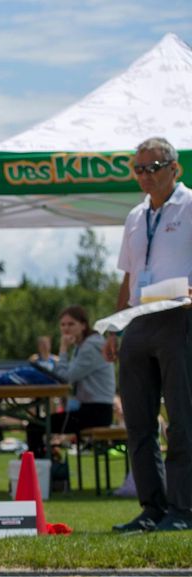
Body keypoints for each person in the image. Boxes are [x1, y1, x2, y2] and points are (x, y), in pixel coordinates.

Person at [105, 136, 192, 533]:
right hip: (139, 320)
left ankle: (183, 508)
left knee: (181, 417)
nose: (144, 176)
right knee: (138, 421)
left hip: (180, 316)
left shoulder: (189, 205)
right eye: (137, 169)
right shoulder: (135, 217)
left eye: (152, 168)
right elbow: (129, 275)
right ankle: (152, 507)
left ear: (175, 169)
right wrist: (114, 327)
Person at [25, 306, 115, 458]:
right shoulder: (86, 345)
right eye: (63, 324)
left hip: (96, 412)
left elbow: (65, 378)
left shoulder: (90, 347)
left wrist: (63, 349)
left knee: (35, 427)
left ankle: (41, 472)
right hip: (92, 410)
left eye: (71, 324)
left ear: (83, 325)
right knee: (37, 425)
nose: (66, 328)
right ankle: (45, 465)